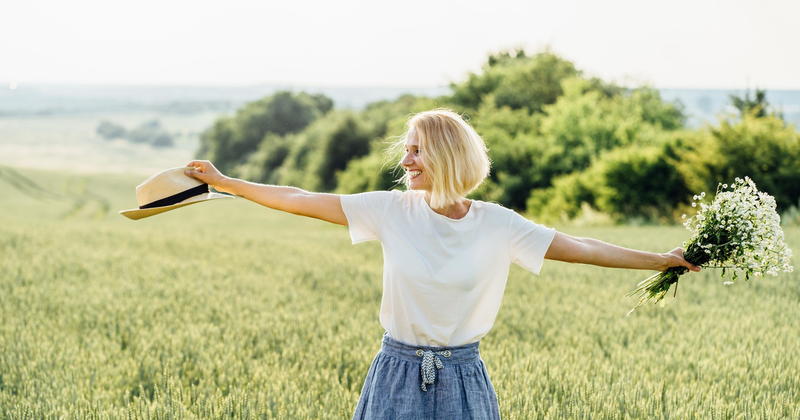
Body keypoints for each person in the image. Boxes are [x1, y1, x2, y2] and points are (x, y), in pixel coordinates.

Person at [184, 109, 699, 419]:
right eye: (406, 150)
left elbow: (584, 248)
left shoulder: (498, 224)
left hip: (463, 379)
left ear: (449, 158)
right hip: (395, 374)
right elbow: (298, 196)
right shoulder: (389, 210)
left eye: (417, 152)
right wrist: (227, 183)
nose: (404, 161)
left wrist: (661, 260)